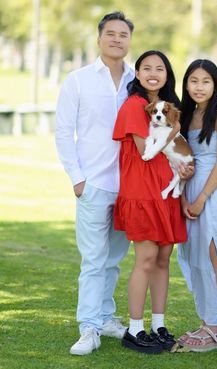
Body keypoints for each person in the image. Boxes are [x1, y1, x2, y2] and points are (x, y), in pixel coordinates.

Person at [55, 11, 135, 355]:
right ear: (99, 38)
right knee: (93, 260)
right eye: (111, 34)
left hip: (130, 187)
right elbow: (62, 132)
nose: (117, 39)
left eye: (123, 35)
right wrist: (78, 180)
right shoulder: (78, 80)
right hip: (93, 185)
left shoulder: (138, 81)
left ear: (130, 41)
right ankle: (88, 328)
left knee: (114, 259)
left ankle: (105, 317)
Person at [112, 50, 188, 354]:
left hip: (165, 193)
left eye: (160, 68)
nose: (153, 73)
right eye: (146, 68)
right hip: (142, 192)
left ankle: (158, 324)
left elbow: (175, 153)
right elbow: (146, 148)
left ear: (167, 74)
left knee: (162, 259)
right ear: (138, 73)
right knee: (144, 259)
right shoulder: (135, 106)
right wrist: (176, 130)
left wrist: (186, 165)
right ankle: (134, 329)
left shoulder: (169, 108)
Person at [175, 59, 217, 352]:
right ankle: (206, 320)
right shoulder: (186, 114)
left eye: (206, 81)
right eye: (193, 81)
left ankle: (214, 329)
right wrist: (183, 195)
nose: (199, 87)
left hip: (214, 190)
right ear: (186, 84)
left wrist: (201, 198)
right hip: (189, 188)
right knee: (196, 256)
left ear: (215, 85)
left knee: (215, 255)